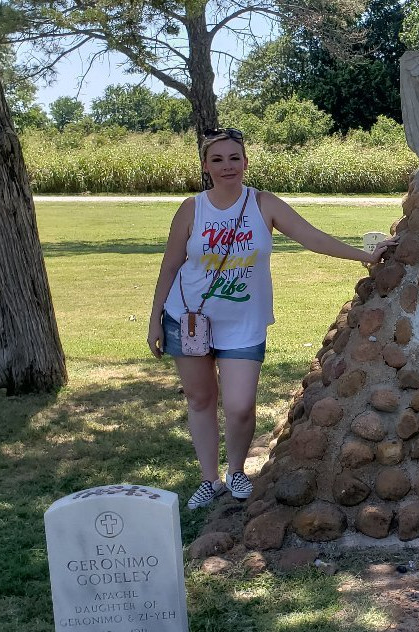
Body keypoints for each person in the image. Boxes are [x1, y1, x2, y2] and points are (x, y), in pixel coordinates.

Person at [148, 127, 394, 510]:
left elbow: (311, 237)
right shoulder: (191, 209)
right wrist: (154, 320)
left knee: (241, 404)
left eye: (234, 158)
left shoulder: (263, 204)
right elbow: (170, 266)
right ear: (205, 166)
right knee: (200, 399)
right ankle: (209, 480)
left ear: (245, 162)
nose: (227, 166)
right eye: (217, 159)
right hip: (189, 318)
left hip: (242, 322)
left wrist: (364, 256)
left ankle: (236, 472)